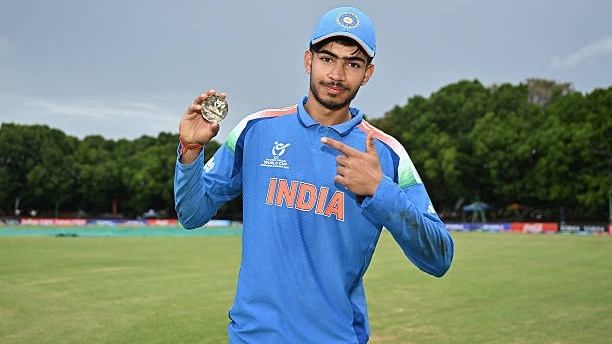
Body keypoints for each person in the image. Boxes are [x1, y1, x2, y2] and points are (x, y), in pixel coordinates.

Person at [174, 6, 454, 343]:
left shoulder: (386, 153)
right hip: (252, 337)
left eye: (353, 63)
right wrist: (190, 152)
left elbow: (439, 258)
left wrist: (380, 192)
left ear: (368, 73)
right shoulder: (257, 130)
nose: (337, 75)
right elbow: (192, 213)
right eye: (327, 58)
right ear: (308, 60)